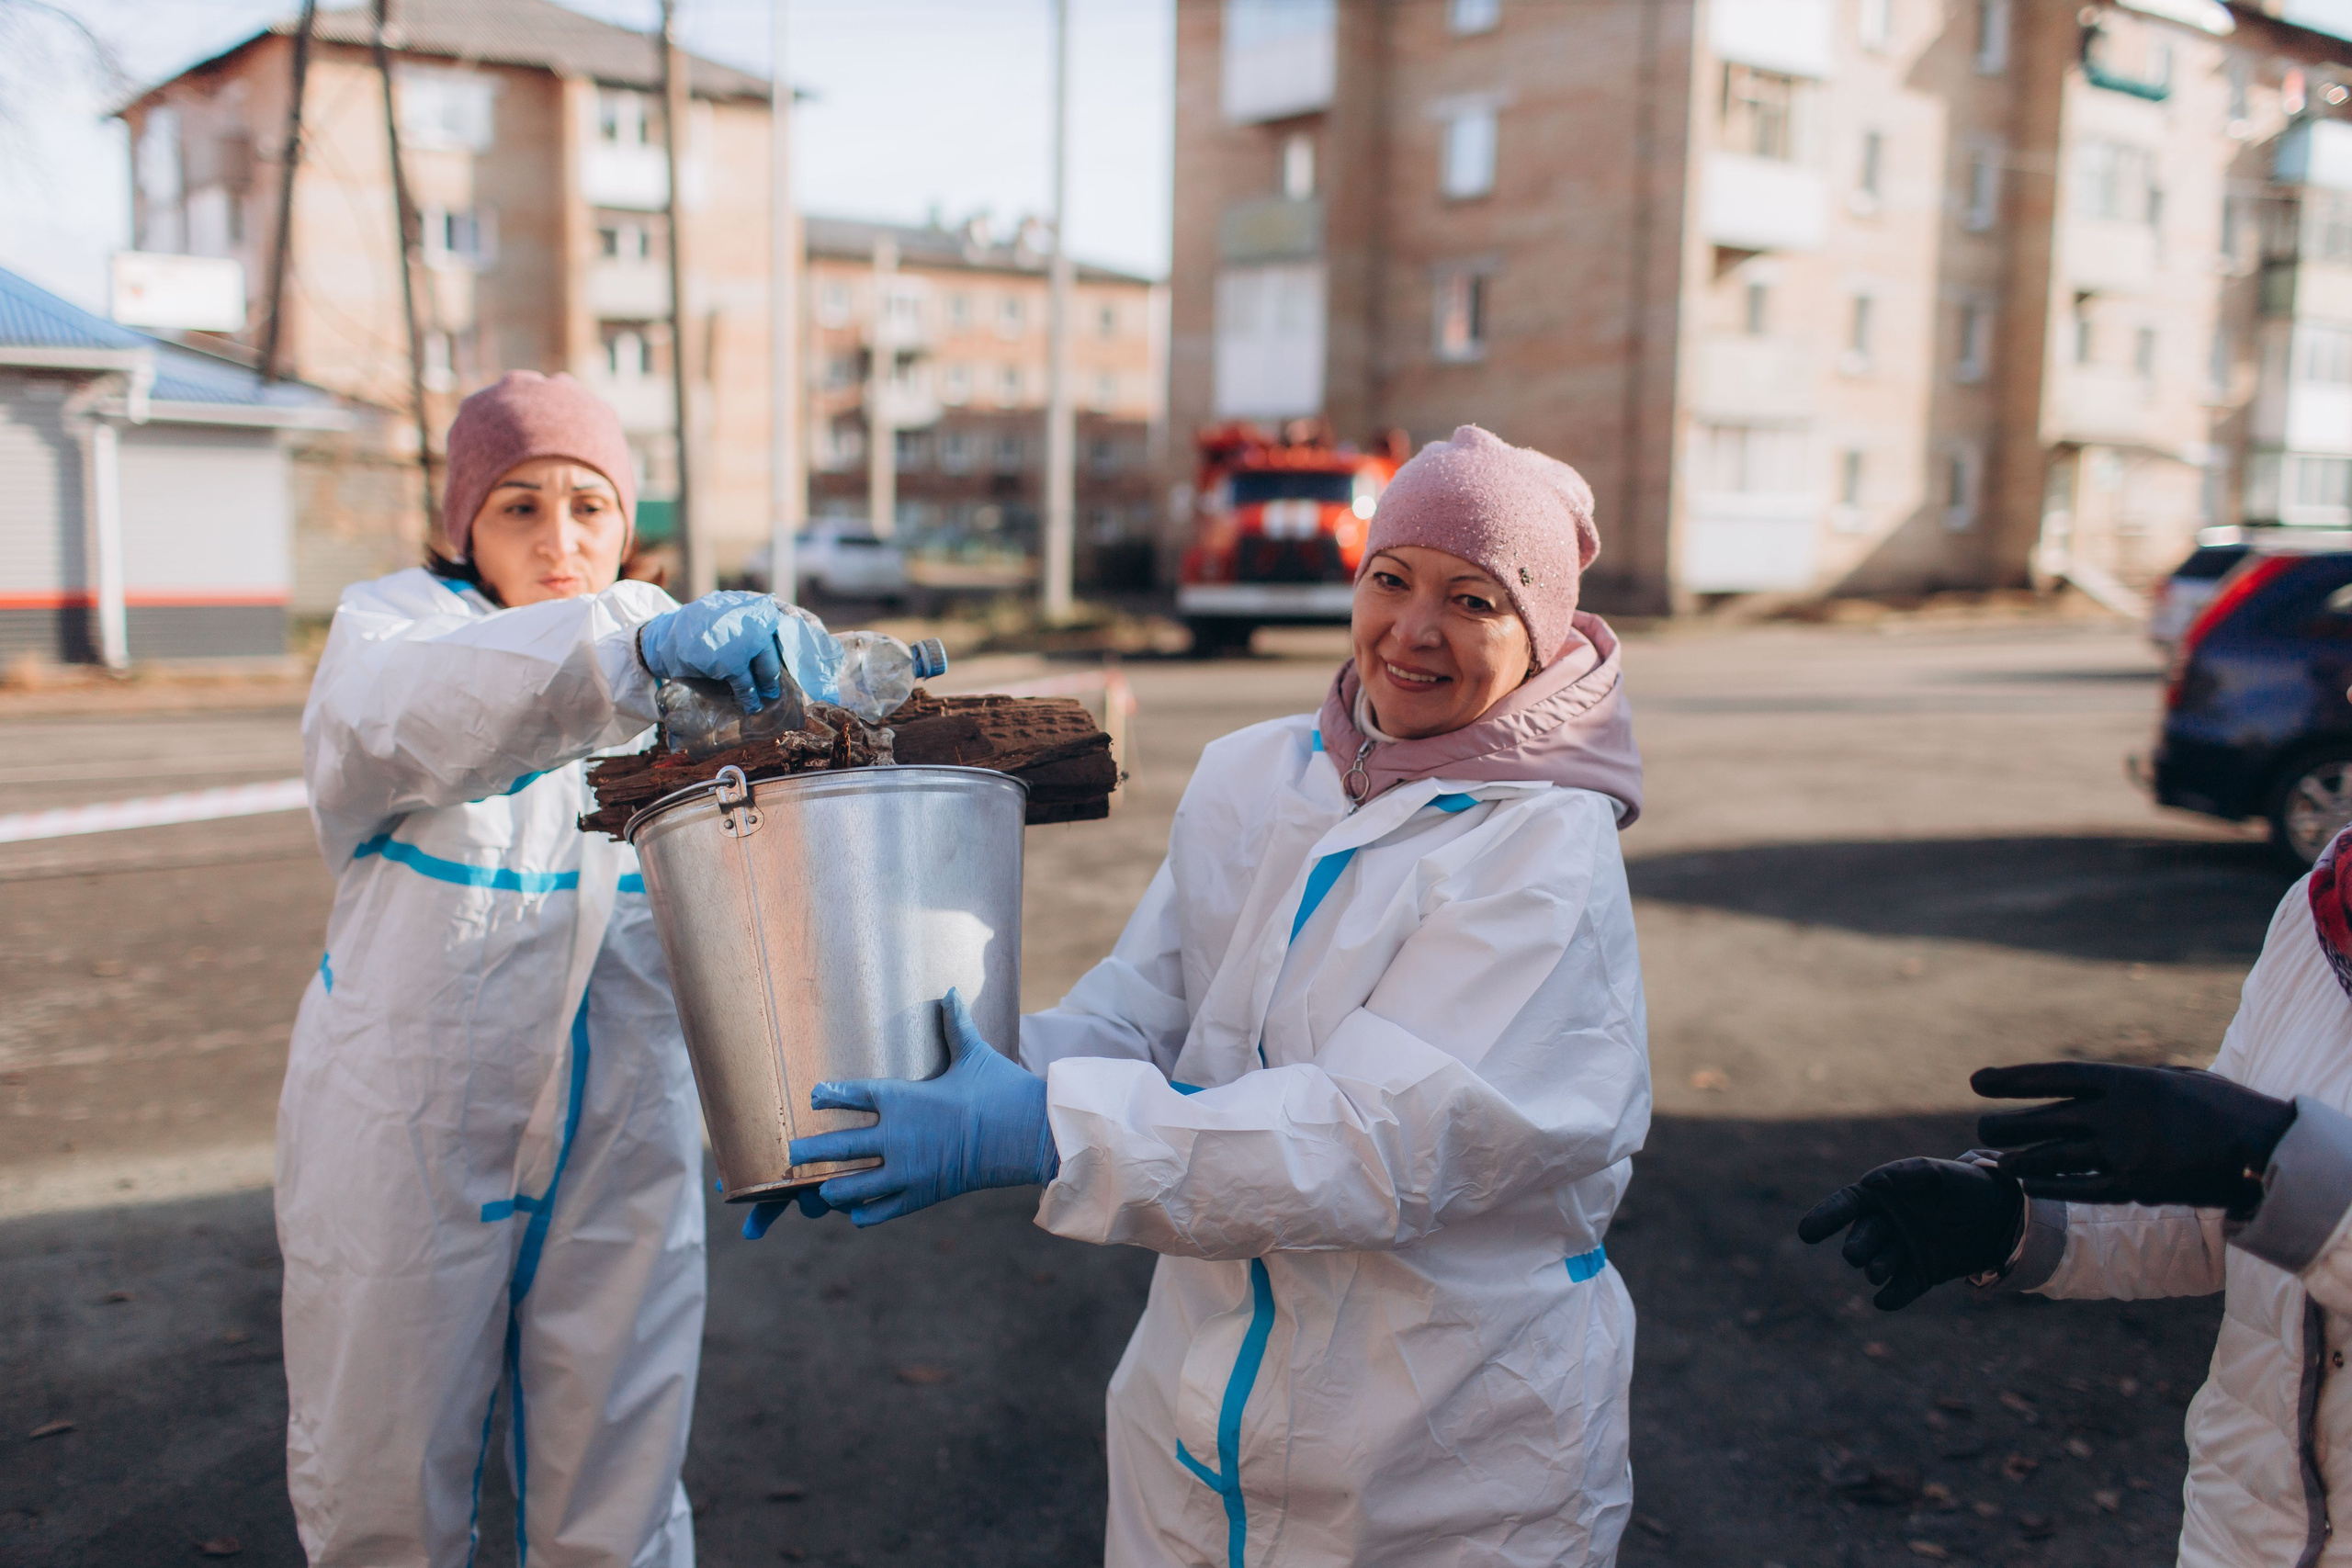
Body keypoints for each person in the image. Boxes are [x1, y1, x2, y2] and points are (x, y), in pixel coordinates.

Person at [763, 425, 1653, 1566]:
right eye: (1391, 579)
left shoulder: (1542, 850)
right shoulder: (1261, 773)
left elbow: (1378, 1145)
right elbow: (1144, 1011)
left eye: (1474, 600)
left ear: (1537, 636)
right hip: (1198, 1436)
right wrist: (897, 1081)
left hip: (1441, 1470)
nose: (1414, 630)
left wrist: (1042, 1130)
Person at [280, 370, 795, 1566]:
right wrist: (633, 647)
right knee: (382, 1475)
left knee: (617, 1476)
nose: (561, 541)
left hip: (625, 1121)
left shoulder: (687, 674)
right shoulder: (398, 628)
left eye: (588, 506)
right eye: (519, 506)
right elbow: (413, 712)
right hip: (404, 1122)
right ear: (463, 524)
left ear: (628, 521)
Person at [1798, 825, 2352, 1564]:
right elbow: (2233, 1203)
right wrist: (2017, 1219)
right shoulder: (2319, 910)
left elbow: (2272, 1171)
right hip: (2244, 1533)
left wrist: (2276, 1159)